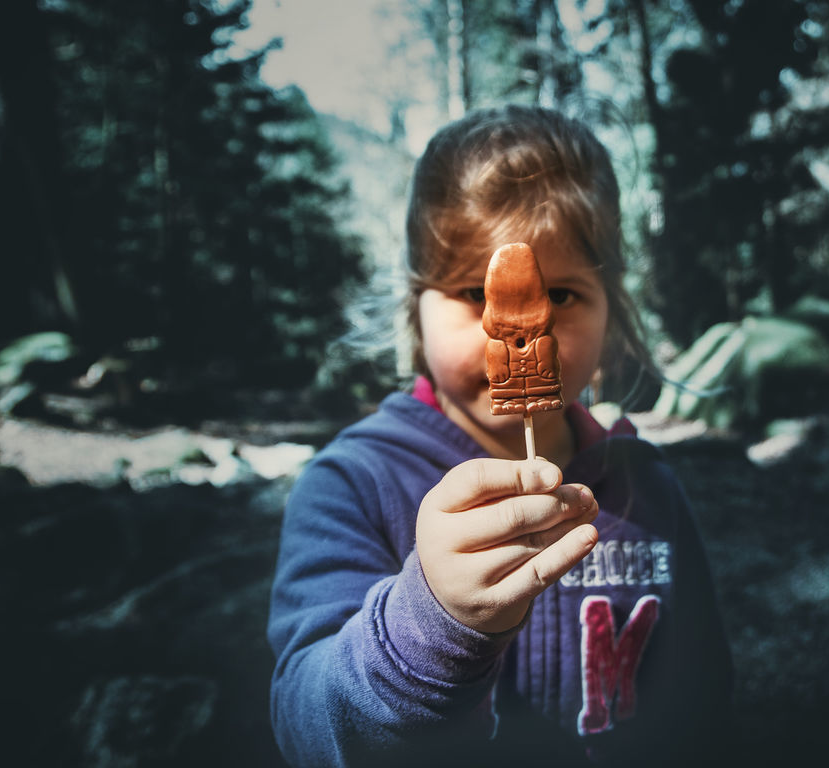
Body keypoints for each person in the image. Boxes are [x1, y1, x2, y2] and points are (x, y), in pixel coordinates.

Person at [267, 104, 732, 767]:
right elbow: (307, 724)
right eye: (471, 293)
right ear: (414, 308)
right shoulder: (353, 485)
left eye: (565, 295)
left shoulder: (644, 487)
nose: (520, 333)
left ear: (613, 312)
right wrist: (429, 624)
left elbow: (703, 698)